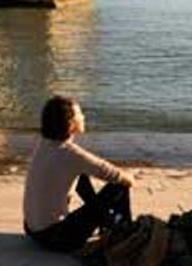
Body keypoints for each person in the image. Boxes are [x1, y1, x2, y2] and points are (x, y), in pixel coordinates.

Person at [23, 95, 134, 252]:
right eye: (80, 113)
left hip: (31, 228)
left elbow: (88, 170)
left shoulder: (44, 142)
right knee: (120, 186)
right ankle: (123, 230)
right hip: (56, 237)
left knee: (80, 174)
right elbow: (118, 176)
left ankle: (108, 223)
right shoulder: (71, 154)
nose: (83, 117)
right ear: (70, 124)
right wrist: (129, 177)